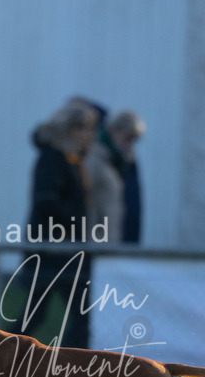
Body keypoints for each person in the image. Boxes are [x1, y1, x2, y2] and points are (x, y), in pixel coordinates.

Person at [14, 102, 98, 348]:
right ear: (68, 131)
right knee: (76, 315)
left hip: (65, 250)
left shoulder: (71, 160)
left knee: (68, 315)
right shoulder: (53, 158)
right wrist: (76, 226)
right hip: (52, 251)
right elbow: (46, 201)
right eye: (84, 129)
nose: (89, 136)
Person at [84, 110, 146, 244]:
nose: (129, 145)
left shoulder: (117, 163)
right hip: (96, 244)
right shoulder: (94, 159)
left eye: (133, 141)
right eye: (127, 138)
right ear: (112, 130)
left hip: (112, 242)